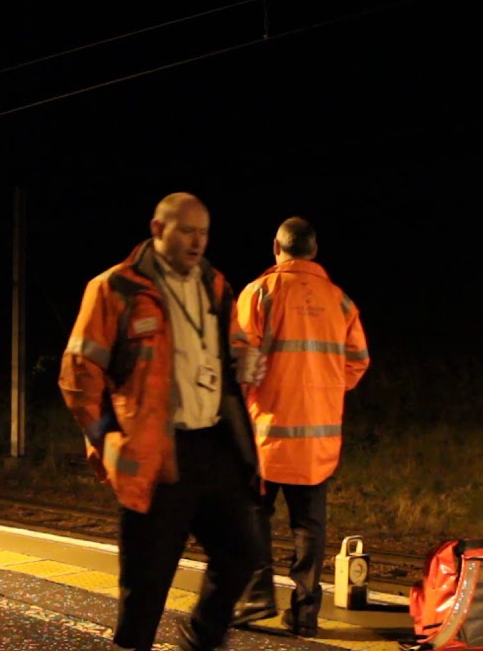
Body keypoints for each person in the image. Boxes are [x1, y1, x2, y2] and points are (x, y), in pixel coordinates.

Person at [59, 192, 261, 651]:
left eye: (204, 232)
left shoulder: (215, 285)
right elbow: (77, 375)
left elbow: (233, 339)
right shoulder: (115, 289)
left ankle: (200, 640)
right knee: (146, 587)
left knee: (242, 555)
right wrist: (105, 440)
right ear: (157, 230)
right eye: (187, 231)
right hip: (154, 453)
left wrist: (244, 355)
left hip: (214, 444)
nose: (197, 242)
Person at [229, 216, 370, 637]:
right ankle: (305, 615)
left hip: (266, 434)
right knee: (309, 526)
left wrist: (254, 393)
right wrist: (327, 387)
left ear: (277, 247)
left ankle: (256, 600)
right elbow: (358, 360)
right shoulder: (341, 301)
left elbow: (240, 360)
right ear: (314, 249)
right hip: (318, 438)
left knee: (253, 516)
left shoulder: (258, 293)